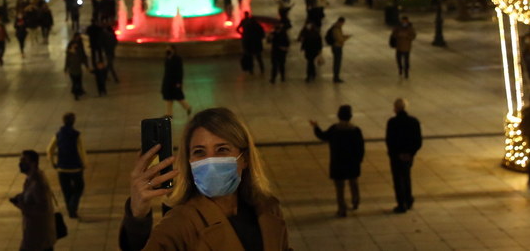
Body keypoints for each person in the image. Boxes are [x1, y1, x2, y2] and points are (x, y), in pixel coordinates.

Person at [121, 107, 290, 250]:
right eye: (199, 152)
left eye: (222, 149)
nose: (210, 161)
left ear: (244, 158)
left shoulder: (269, 209)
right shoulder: (179, 224)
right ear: (189, 161)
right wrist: (137, 217)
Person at [311, 104, 365, 217]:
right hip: (352, 163)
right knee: (353, 183)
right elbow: (360, 148)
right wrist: (359, 160)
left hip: (338, 163)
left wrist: (316, 127)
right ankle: (355, 201)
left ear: (338, 115)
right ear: (350, 116)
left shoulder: (334, 129)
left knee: (340, 188)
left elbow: (323, 136)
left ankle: (342, 209)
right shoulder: (355, 130)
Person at [10, 149, 57, 251]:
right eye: (20, 160)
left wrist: (21, 204)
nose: (20, 164)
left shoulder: (37, 182)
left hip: (38, 237)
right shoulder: (31, 178)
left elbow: (43, 208)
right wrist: (21, 197)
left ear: (33, 163)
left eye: (24, 161)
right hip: (35, 234)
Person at [385, 98, 422, 213]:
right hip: (408, 155)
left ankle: (401, 203)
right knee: (406, 176)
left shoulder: (392, 122)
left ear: (396, 109)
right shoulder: (414, 121)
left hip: (396, 156)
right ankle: (409, 199)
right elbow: (418, 140)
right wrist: (411, 153)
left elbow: (390, 141)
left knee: (397, 179)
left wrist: (396, 154)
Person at [47, 112, 88, 219]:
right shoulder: (76, 134)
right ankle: (73, 206)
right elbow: (81, 151)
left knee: (66, 191)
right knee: (79, 187)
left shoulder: (58, 134)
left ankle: (70, 211)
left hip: (62, 168)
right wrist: (84, 164)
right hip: (75, 168)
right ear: (73, 121)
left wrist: (53, 163)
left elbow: (49, 150)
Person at [161, 44, 193, 117]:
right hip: (167, 81)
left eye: (169, 49)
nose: (167, 50)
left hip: (174, 82)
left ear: (173, 50)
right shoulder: (167, 58)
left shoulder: (177, 59)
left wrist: (179, 82)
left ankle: (188, 107)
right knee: (168, 98)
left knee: (178, 98)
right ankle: (168, 114)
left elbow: (180, 71)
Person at [325, 17, 350, 83]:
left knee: (337, 62)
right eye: (342, 23)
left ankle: (336, 76)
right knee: (337, 62)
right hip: (337, 47)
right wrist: (346, 38)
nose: (343, 24)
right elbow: (339, 39)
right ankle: (336, 77)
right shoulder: (336, 29)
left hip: (336, 47)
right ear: (340, 22)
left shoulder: (336, 27)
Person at [269, 19, 290, 83]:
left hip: (281, 52)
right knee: (275, 66)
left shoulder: (283, 34)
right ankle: (273, 78)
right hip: (275, 52)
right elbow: (269, 40)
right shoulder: (274, 34)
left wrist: (285, 48)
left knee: (281, 65)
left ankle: (282, 77)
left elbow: (287, 43)